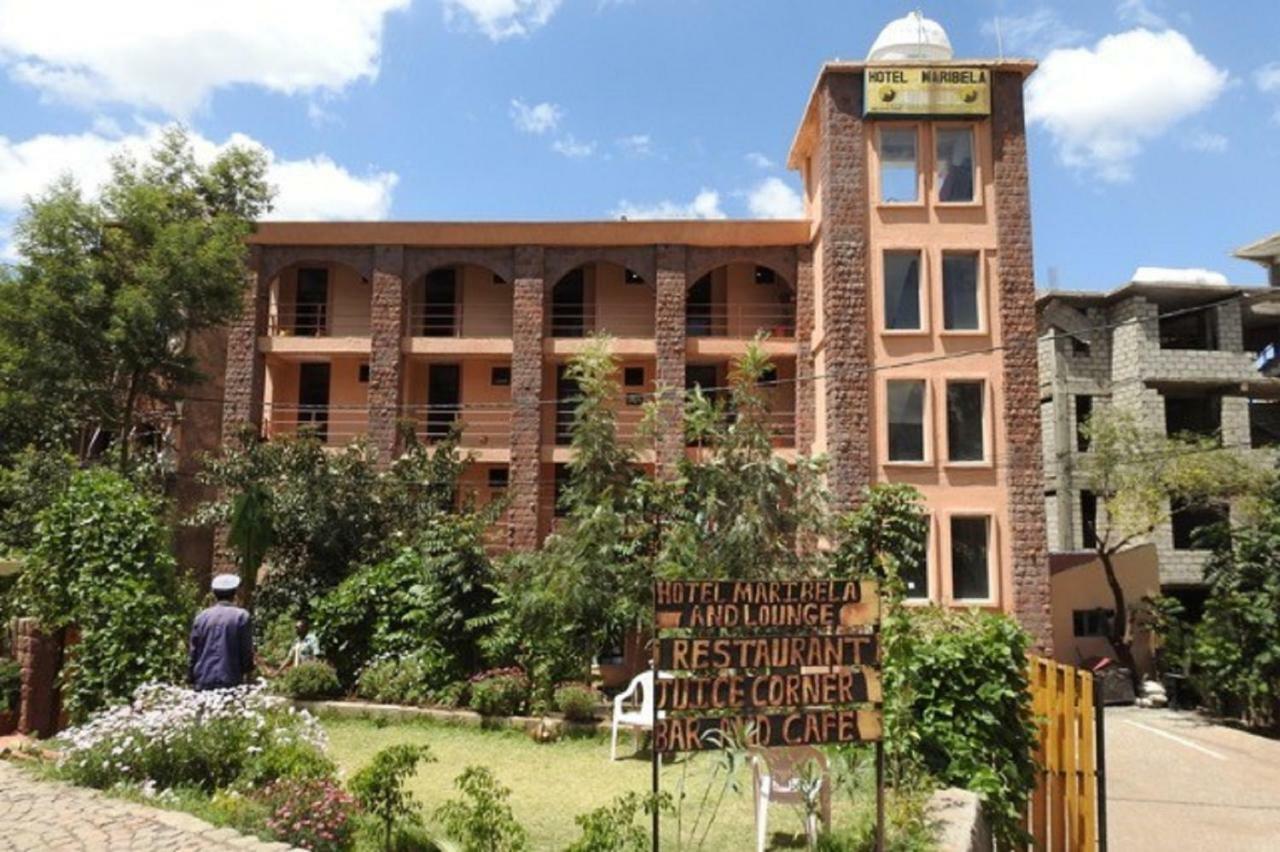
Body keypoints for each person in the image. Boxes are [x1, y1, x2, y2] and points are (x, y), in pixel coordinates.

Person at [189, 574, 255, 690]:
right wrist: (247, 673)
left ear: (214, 594)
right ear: (234, 593)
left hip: (203, 679)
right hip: (230, 679)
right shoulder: (241, 617)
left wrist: (190, 676)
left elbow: (194, 651)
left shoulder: (201, 617)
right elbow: (246, 650)